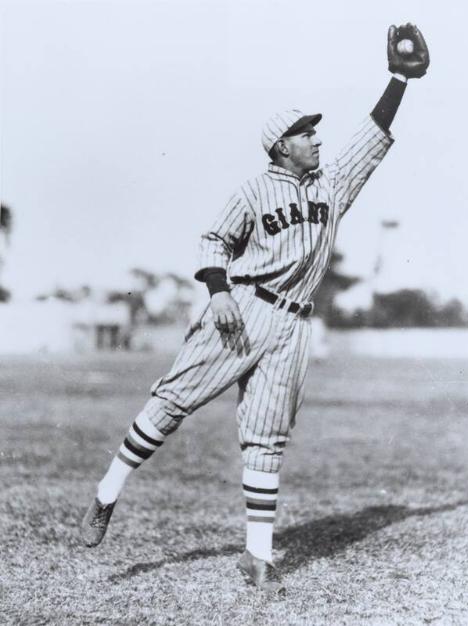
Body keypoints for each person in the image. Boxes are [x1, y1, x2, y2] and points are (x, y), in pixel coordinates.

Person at [81, 23, 429, 592]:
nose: (317, 139)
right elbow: (213, 241)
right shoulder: (251, 191)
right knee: (171, 403)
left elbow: (372, 136)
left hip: (294, 325)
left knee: (267, 438)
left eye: (316, 132)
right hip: (241, 310)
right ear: (280, 145)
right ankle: (106, 493)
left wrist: (398, 80)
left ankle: (257, 558)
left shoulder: (331, 187)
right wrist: (218, 292)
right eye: (305, 133)